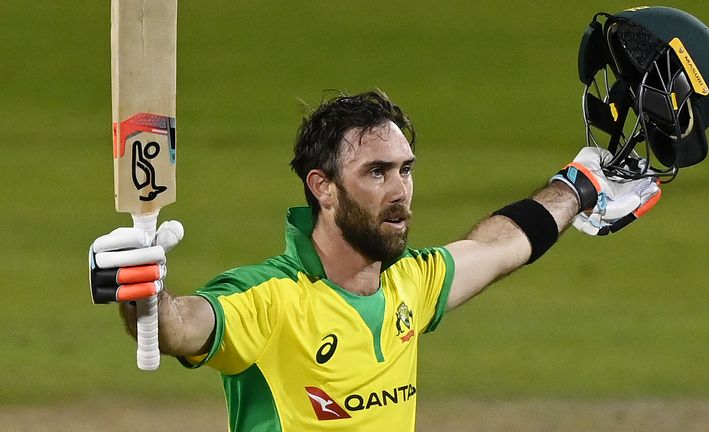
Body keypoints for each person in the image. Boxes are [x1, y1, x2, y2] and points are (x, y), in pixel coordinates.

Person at [90, 90, 661, 431]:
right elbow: (183, 326)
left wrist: (580, 186)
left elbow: (503, 242)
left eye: (405, 169)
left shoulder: (411, 285)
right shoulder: (271, 298)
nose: (400, 191)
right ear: (324, 188)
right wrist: (143, 289)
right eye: (376, 172)